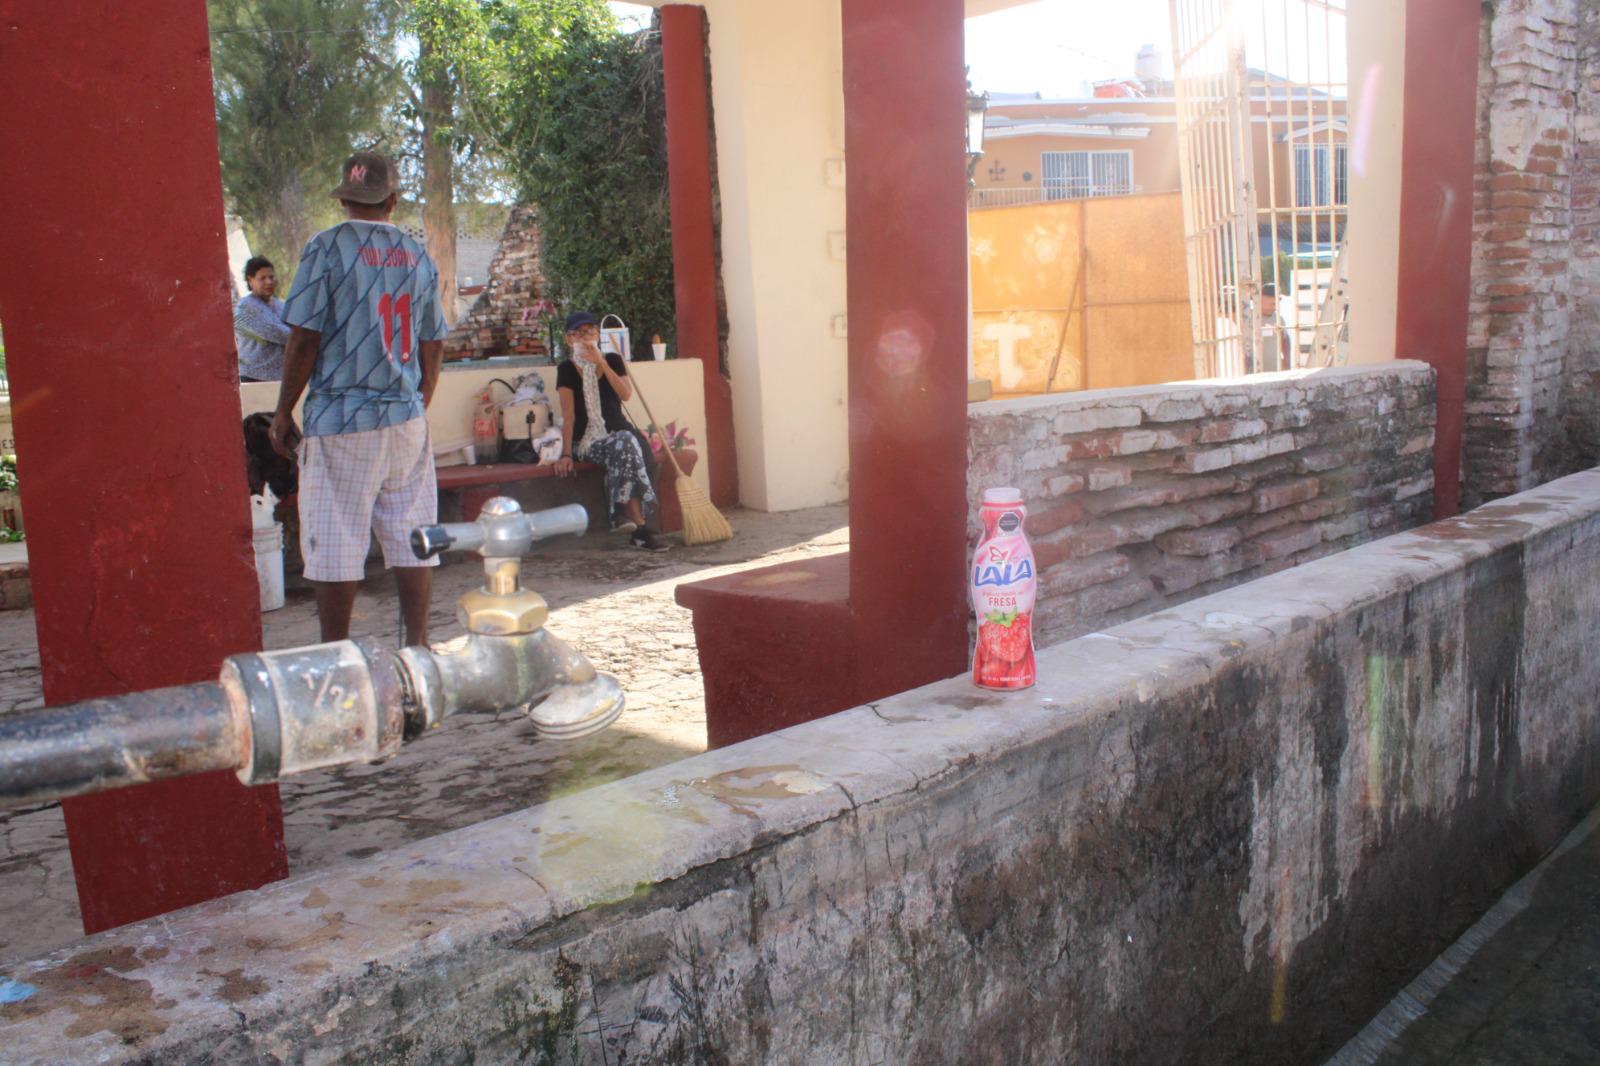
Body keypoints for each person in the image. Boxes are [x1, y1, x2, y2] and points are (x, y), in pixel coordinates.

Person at [268, 151, 447, 646]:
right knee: (415, 534)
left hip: (341, 419)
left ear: (344, 198)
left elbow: (304, 337)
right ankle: (418, 645)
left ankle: (338, 653)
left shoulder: (324, 248)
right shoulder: (417, 254)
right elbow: (434, 342)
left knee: (335, 541)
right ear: (391, 200)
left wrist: (283, 411)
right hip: (405, 419)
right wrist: (419, 400)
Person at [554, 311, 668, 551]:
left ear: (597, 335)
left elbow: (626, 394)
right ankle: (639, 527)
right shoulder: (566, 369)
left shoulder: (612, 360)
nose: (584, 339)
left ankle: (627, 520)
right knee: (626, 444)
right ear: (568, 340)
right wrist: (566, 454)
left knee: (627, 442)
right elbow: (569, 415)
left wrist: (601, 363)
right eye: (577, 334)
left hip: (618, 432)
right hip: (587, 440)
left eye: (589, 332)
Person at [235, 256, 288, 382]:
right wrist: (305, 336)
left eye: (271, 277)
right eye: (262, 278)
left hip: (280, 379)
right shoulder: (245, 308)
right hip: (254, 378)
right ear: (250, 280)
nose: (269, 282)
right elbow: (278, 333)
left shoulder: (282, 305)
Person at [1259, 283, 1293, 372]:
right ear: (1261, 299)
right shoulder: (1248, 318)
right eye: (1271, 304)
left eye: (1276, 304)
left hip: (1274, 370)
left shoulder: (1278, 319)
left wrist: (1286, 360)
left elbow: (1285, 339)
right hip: (1252, 370)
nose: (1273, 307)